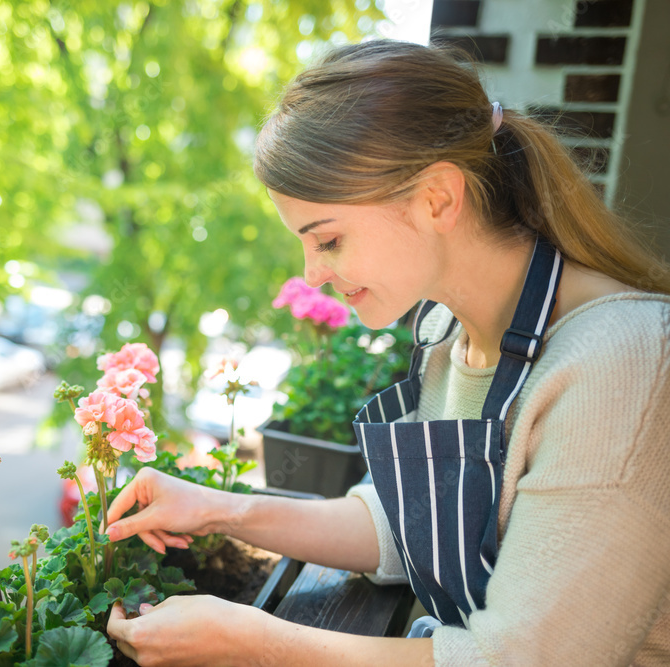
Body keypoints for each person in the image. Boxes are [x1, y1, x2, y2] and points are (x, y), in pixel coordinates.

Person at [104, 40, 670, 666]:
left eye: (329, 239)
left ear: (437, 199)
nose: (312, 274)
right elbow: (413, 528)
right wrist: (219, 510)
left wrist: (249, 642)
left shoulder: (623, 366)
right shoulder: (446, 333)